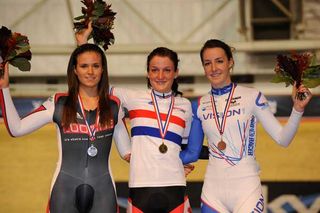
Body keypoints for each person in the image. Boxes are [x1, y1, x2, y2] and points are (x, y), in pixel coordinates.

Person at [180, 39, 312, 213]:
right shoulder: (199, 105)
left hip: (246, 190)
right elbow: (192, 153)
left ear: (230, 62)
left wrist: (297, 110)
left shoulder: (252, 96)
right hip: (212, 192)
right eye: (207, 63)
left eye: (219, 61)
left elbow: (283, 139)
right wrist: (155, 160)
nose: (213, 68)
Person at [0, 43, 131, 213]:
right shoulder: (58, 102)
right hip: (64, 190)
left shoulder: (114, 105)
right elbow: (16, 129)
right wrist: (4, 88)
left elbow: (128, 152)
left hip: (103, 191)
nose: (90, 72)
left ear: (103, 70)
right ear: (75, 70)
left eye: (95, 66)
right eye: (84, 66)